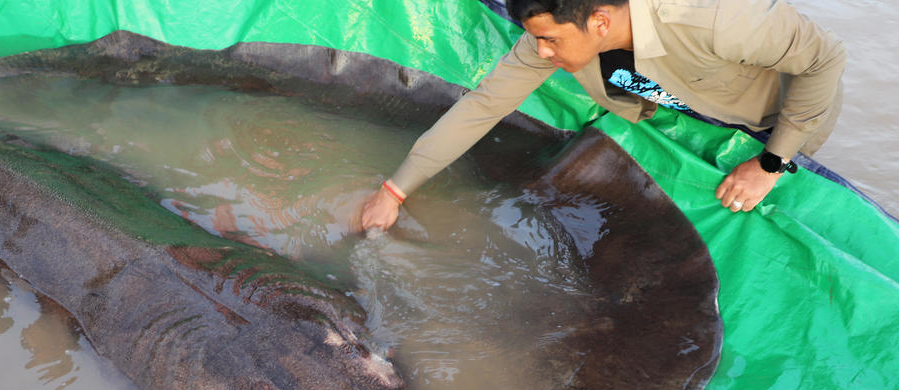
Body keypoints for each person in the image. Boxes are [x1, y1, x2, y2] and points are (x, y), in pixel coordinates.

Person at [359, 0, 846, 230]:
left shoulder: (713, 17)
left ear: (600, 21)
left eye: (552, 39)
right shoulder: (549, 39)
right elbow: (484, 105)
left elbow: (825, 60)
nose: (542, 53)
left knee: (782, 200)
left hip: (773, 116)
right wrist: (395, 189)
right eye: (537, 38)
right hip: (680, 103)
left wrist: (771, 163)